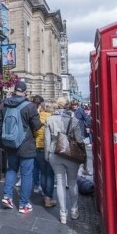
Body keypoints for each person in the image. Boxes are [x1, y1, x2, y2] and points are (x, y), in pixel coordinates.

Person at [0, 81, 41, 214]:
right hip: (25, 145)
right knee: (27, 175)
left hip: (9, 144)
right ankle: (23, 204)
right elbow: (37, 126)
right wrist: (37, 113)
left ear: (15, 90)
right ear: (25, 92)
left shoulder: (4, 104)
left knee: (11, 170)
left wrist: (1, 144)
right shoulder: (30, 106)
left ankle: (7, 197)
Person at [45, 96, 85, 224]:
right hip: (71, 154)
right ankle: (74, 210)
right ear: (68, 106)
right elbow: (79, 141)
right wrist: (84, 158)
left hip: (54, 153)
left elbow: (47, 141)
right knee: (72, 182)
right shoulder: (74, 121)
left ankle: (63, 213)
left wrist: (47, 155)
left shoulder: (49, 119)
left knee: (60, 182)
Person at [34, 99, 56, 208]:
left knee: (43, 172)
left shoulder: (37, 117)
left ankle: (44, 194)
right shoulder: (52, 118)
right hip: (50, 148)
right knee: (50, 174)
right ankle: (49, 197)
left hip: (38, 147)